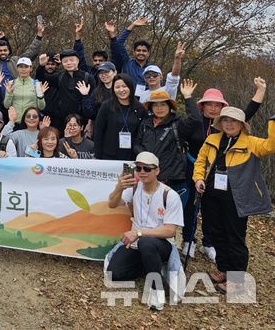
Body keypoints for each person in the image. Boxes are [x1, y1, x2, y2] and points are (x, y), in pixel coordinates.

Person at [182, 78, 266, 261]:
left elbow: (247, 112)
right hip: (195, 168)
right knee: (193, 207)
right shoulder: (195, 121)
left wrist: (260, 91)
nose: (213, 108)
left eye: (217, 105)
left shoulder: (230, 125)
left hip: (222, 177)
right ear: (202, 106)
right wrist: (187, 97)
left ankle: (209, 243)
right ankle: (189, 240)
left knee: (221, 219)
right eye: (208, 104)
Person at [193, 106, 275, 294]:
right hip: (211, 196)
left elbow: (271, 145)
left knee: (235, 236)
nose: (229, 124)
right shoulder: (212, 139)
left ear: (241, 125)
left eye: (234, 121)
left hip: (237, 199)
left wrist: (272, 121)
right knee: (216, 233)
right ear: (220, 123)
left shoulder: (251, 143)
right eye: (225, 120)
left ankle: (237, 280)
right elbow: (200, 161)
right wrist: (198, 178)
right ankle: (224, 269)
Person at [106, 151, 184, 311]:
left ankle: (157, 291)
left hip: (160, 244)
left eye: (147, 169)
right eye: (138, 168)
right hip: (137, 244)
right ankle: (152, 266)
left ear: (157, 171)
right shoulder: (134, 188)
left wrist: (139, 233)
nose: (142, 172)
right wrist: (119, 187)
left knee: (147, 243)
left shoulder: (169, 195)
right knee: (114, 273)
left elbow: (170, 231)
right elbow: (112, 204)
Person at [133, 81, 201, 207]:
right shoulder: (145, 124)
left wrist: (188, 97)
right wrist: (143, 155)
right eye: (155, 105)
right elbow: (137, 142)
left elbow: (195, 120)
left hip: (173, 180)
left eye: (163, 104)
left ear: (169, 107)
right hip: (148, 178)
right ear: (151, 108)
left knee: (171, 220)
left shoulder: (178, 124)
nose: (159, 108)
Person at [36, 49, 95, 132]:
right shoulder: (59, 77)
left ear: (78, 61)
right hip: (61, 121)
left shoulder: (88, 78)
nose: (69, 63)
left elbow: (93, 103)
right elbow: (41, 79)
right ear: (62, 63)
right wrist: (41, 66)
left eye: (71, 60)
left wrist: (90, 122)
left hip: (81, 122)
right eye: (65, 61)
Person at [93, 74, 148, 160]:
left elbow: (144, 134)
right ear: (113, 90)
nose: (121, 90)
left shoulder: (140, 108)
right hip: (108, 156)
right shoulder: (106, 106)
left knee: (127, 174)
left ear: (130, 87)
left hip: (131, 157)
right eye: (117, 87)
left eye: (124, 86)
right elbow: (98, 131)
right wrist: (98, 155)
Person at [106, 17, 151, 89]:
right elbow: (119, 43)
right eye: (138, 50)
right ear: (134, 52)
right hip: (126, 98)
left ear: (148, 53)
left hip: (145, 99)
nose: (141, 53)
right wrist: (132, 25)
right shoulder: (127, 62)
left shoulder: (151, 69)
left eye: (144, 51)